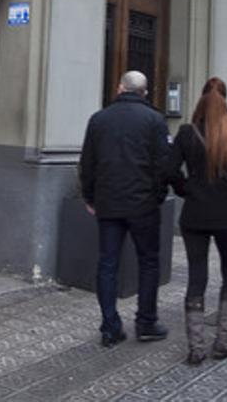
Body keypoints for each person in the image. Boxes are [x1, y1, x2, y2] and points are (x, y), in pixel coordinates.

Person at [79, 70, 172, 347]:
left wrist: (90, 197)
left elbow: (88, 163)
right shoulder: (155, 120)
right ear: (145, 91)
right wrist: (157, 195)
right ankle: (146, 322)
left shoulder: (99, 119)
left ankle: (110, 327)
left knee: (107, 263)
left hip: (108, 203)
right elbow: (162, 164)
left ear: (120, 88)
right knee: (149, 262)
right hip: (143, 204)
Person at [163, 78, 227, 364]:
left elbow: (168, 170)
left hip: (195, 214)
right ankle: (223, 340)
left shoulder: (186, 133)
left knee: (196, 276)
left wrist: (185, 188)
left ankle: (196, 346)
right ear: (226, 101)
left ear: (200, 100)